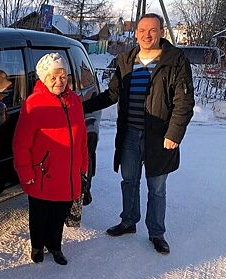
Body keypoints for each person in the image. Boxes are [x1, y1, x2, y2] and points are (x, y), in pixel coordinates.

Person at [82, 13, 195, 254]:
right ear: (135, 33)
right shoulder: (125, 60)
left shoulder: (175, 61)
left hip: (160, 136)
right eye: (142, 30)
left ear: (162, 32)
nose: (147, 34)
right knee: (129, 180)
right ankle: (128, 221)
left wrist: (174, 134)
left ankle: (156, 232)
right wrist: (79, 106)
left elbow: (183, 102)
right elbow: (111, 95)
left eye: (152, 30)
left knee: (156, 187)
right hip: (130, 134)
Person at [13, 53, 88, 265]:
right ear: (44, 78)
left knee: (59, 213)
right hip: (43, 173)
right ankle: (37, 245)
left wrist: (83, 164)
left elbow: (81, 135)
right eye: (53, 77)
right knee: (40, 213)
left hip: (69, 172)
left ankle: (55, 246)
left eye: (63, 76)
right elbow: (21, 144)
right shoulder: (34, 103)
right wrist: (26, 172)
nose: (59, 81)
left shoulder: (74, 101)